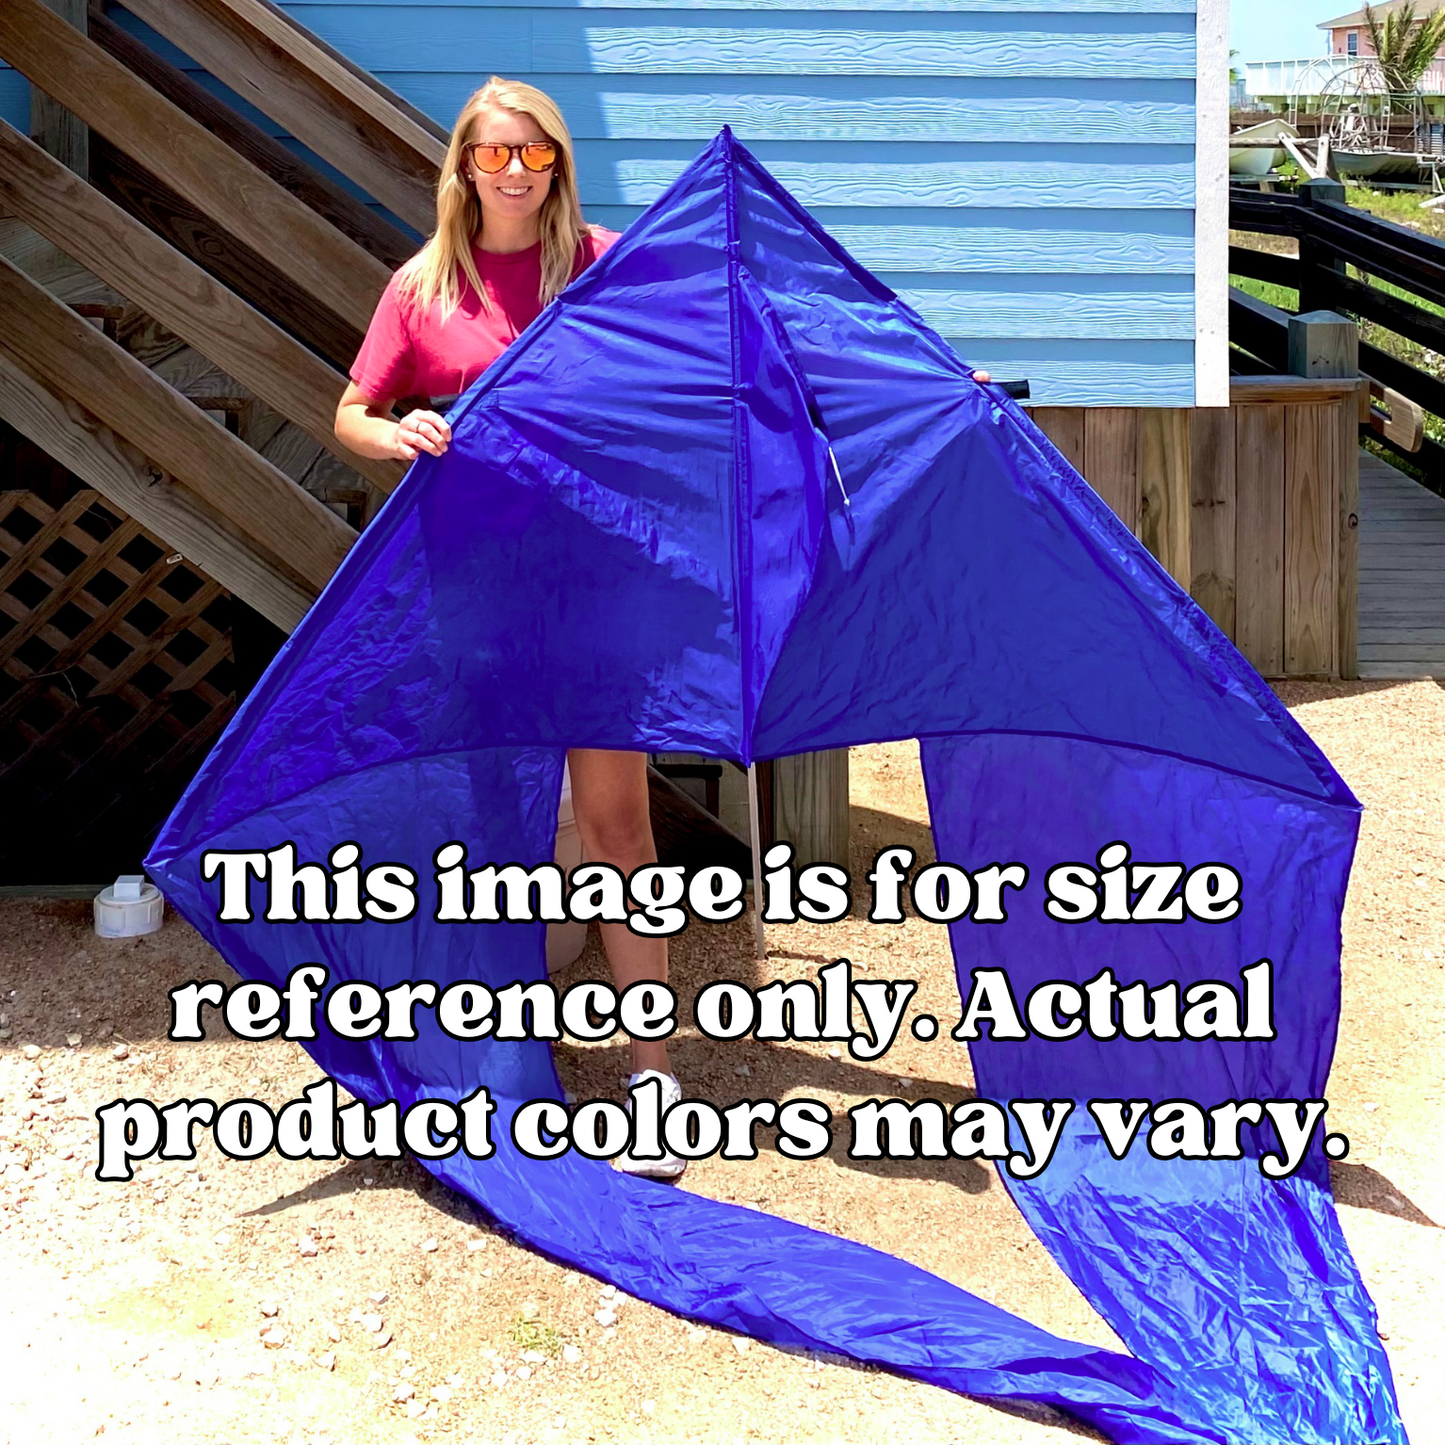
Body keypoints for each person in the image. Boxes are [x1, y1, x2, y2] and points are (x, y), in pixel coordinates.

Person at [336, 77, 991, 1180]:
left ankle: (650, 1070)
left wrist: (919, 378)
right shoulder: (420, 286)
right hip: (480, 599)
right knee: (487, 837)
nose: (512, 173)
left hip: (601, 593)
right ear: (460, 168)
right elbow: (349, 409)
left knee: (617, 832)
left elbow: (762, 325)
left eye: (533, 155)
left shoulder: (602, 264)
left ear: (556, 165)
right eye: (493, 154)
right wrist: (395, 432)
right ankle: (493, 1058)